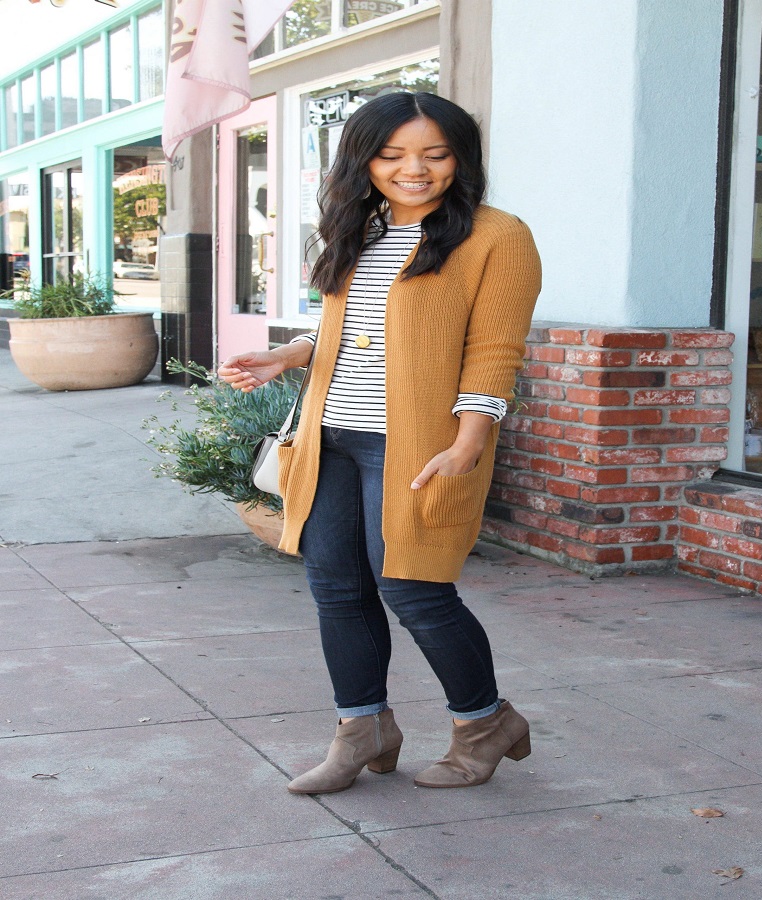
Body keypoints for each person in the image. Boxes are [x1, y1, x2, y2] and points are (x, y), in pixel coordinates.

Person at [218, 91, 541, 794]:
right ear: (365, 161)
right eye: (392, 155)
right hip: (333, 436)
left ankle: (485, 723)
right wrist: (290, 354)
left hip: (417, 444)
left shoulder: (496, 235)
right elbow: (346, 328)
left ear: (461, 158)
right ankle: (362, 728)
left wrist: (469, 442)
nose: (413, 170)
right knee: (335, 585)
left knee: (414, 586)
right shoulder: (359, 232)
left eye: (434, 154)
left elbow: (494, 349)